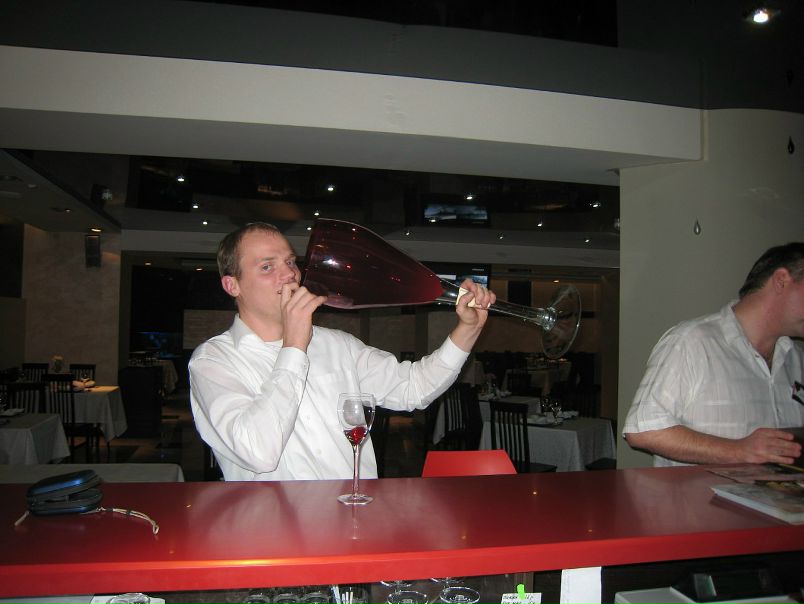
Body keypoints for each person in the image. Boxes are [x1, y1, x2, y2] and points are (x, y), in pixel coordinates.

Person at [189, 222, 495, 481]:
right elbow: (257, 452)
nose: (290, 275)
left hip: (355, 520)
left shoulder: (337, 345)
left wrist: (468, 329)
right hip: (272, 530)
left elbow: (414, 388)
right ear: (232, 285)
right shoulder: (213, 361)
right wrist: (294, 347)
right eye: (267, 266)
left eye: (290, 262)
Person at [624, 242, 804, 467]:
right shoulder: (691, 342)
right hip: (696, 492)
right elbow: (644, 430)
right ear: (781, 281)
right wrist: (739, 451)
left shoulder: (797, 359)